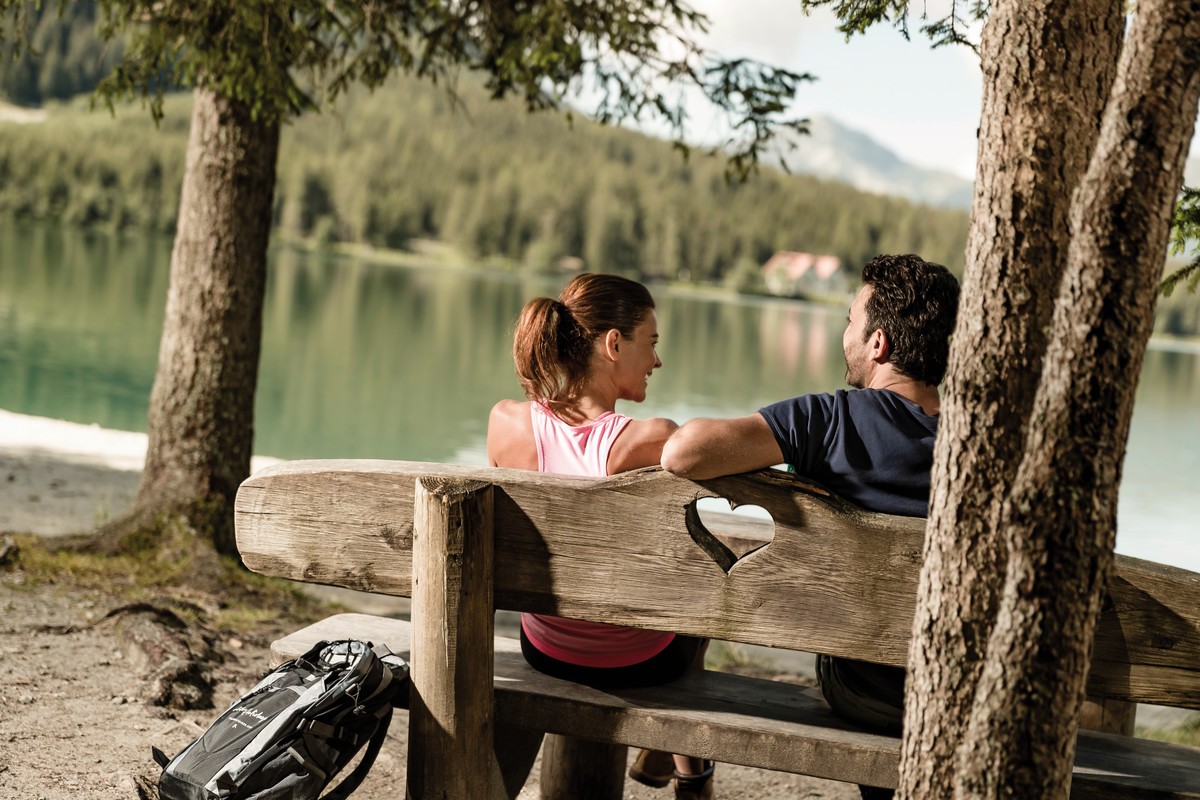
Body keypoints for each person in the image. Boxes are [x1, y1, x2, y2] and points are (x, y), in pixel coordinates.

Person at [660, 253, 960, 800]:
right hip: (960, 698)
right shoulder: (983, 444)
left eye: (850, 320)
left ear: (879, 344)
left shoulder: (829, 421)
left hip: (862, 691)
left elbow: (683, 452)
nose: (844, 333)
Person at [487, 272, 715, 800]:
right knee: (706, 579)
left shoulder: (507, 425)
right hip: (641, 660)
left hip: (544, 647)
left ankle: (675, 759)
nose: (657, 360)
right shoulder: (650, 440)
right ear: (614, 343)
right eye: (651, 343)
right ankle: (689, 768)